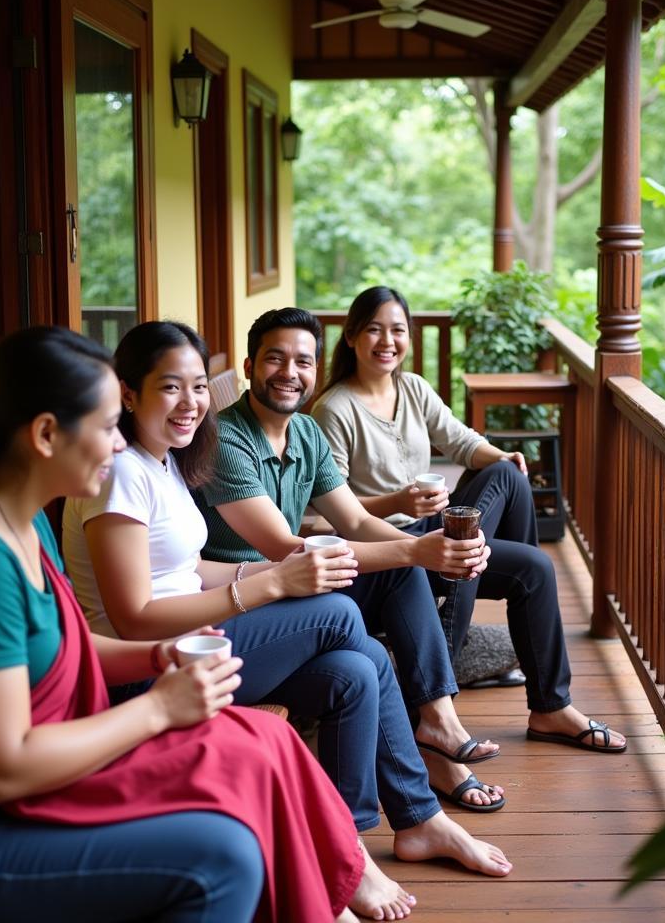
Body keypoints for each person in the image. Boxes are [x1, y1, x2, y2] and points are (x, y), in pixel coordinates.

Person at [0, 326, 366, 923]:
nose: (119, 446)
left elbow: (61, 644)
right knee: (223, 858)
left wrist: (156, 658)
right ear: (44, 435)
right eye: (108, 426)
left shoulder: (20, 521)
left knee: (263, 739)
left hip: (39, 769)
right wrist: (159, 708)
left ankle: (333, 898)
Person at [63, 321, 512, 918]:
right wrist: (275, 582)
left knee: (361, 666)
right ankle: (372, 832)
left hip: (199, 644)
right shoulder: (120, 474)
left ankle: (374, 837)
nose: (192, 403)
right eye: (171, 388)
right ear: (127, 392)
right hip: (155, 670)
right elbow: (136, 616)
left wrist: (279, 571)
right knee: (335, 613)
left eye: (199, 387)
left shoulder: (163, 461)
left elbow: (193, 570)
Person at [192, 308, 516, 811]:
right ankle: (429, 753)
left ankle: (437, 718)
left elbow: (358, 522)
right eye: (274, 359)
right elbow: (283, 546)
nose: (288, 372)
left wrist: (431, 554)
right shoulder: (224, 439)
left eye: (302, 361)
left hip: (300, 584)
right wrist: (416, 548)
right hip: (250, 598)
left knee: (399, 569)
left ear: (316, 370)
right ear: (250, 364)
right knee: (392, 582)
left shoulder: (304, 432)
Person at [312, 287, 626, 754]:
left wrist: (502, 454)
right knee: (518, 558)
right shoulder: (334, 409)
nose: (387, 340)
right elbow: (333, 508)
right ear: (353, 336)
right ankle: (452, 654)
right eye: (374, 329)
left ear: (409, 338)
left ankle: (549, 707)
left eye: (398, 329)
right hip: (389, 548)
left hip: (432, 530)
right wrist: (399, 499)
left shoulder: (413, 388)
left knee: (514, 500)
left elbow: (462, 442)